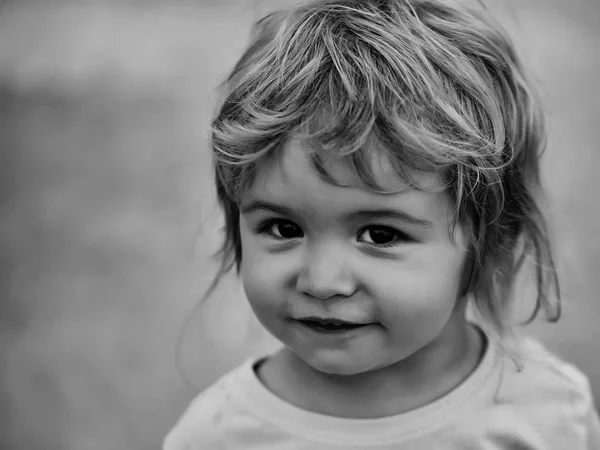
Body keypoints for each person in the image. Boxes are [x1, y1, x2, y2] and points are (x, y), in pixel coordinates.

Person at [164, 0, 600, 448]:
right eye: (283, 228)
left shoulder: (548, 415)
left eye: (380, 235)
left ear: (489, 238)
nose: (322, 282)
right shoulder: (218, 436)